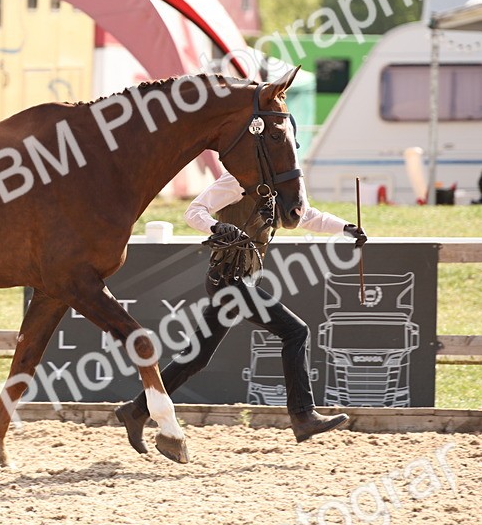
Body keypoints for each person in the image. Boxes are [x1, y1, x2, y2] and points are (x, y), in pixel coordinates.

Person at [115, 171, 369, 451]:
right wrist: (215, 227)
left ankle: (137, 410)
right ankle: (303, 415)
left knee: (196, 357)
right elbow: (194, 211)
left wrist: (345, 229)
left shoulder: (285, 184)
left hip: (236, 281)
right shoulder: (238, 180)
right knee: (295, 332)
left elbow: (305, 216)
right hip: (229, 281)